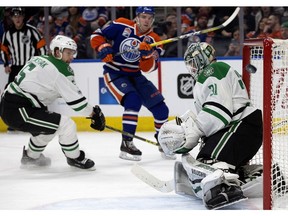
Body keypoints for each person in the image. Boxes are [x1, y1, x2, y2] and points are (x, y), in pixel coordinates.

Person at [158, 42, 263, 209]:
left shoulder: (212, 71)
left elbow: (219, 111)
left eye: (193, 62)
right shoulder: (213, 72)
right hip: (242, 128)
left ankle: (224, 188)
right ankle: (260, 176)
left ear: (201, 60)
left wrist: (194, 131)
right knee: (205, 159)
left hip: (240, 126)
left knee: (208, 162)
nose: (191, 68)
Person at [0, 35, 106, 170]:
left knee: (49, 127)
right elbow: (78, 104)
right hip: (20, 110)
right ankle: (74, 158)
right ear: (57, 52)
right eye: (68, 53)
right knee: (66, 125)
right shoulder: (60, 70)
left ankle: (31, 157)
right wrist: (94, 114)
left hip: (11, 104)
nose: (72, 57)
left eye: (73, 53)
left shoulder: (39, 58)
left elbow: (44, 86)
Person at [90, 6, 173, 161]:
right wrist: (103, 47)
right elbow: (96, 35)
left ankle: (163, 143)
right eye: (143, 16)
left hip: (136, 75)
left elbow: (149, 68)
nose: (146, 20)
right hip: (114, 72)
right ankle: (126, 143)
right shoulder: (122, 24)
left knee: (161, 109)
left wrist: (146, 55)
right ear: (136, 17)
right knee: (133, 100)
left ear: (153, 19)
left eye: (149, 17)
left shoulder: (155, 40)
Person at [0, 7, 48, 132]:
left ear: (23, 17)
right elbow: (4, 49)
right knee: (11, 94)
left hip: (31, 68)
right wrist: (6, 63)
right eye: (14, 16)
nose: (17, 18)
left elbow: (42, 48)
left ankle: (40, 119)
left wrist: (41, 65)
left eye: (19, 16)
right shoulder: (8, 34)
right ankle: (13, 121)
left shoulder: (33, 31)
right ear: (11, 18)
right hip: (15, 68)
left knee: (35, 93)